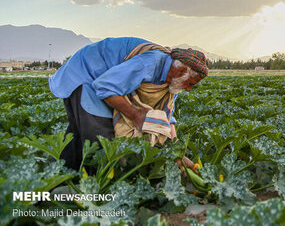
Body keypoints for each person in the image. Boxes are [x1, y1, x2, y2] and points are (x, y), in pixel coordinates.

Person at [48, 37, 208, 171]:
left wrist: (177, 154)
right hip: (87, 74)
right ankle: (94, 188)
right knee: (102, 139)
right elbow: (104, 86)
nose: (188, 89)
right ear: (181, 71)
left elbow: (167, 120)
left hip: (105, 81)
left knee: (78, 138)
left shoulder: (172, 84)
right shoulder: (149, 63)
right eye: (190, 84)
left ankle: (60, 176)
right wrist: (134, 115)